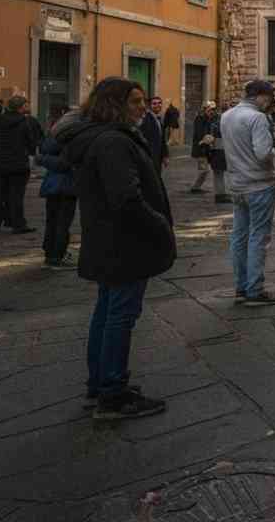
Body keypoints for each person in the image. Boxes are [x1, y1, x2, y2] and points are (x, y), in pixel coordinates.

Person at [59, 77, 175, 420]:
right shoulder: (113, 141)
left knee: (107, 312)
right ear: (114, 105)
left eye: (143, 101)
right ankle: (112, 393)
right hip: (126, 242)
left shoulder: (98, 137)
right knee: (120, 316)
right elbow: (126, 198)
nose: (143, 107)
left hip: (107, 240)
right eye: (135, 101)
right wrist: (159, 224)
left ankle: (100, 384)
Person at [221, 80, 275, 306]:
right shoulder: (257, 118)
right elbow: (263, 153)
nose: (269, 102)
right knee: (259, 237)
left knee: (239, 237)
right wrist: (273, 150)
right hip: (259, 184)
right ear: (260, 96)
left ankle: (241, 288)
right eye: (269, 97)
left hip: (236, 184)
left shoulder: (227, 115)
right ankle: (255, 290)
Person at [0, 95, 40, 235]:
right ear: (21, 107)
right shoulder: (25, 122)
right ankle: (18, 224)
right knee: (16, 196)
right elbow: (31, 143)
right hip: (18, 164)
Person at [38, 107, 79, 269]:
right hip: (67, 184)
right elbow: (64, 163)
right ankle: (57, 256)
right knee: (62, 223)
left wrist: (42, 159)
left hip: (51, 183)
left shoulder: (52, 135)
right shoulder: (70, 138)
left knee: (52, 220)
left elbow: (43, 154)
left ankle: (50, 253)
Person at [139, 97, 169, 175]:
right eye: (154, 103)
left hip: (157, 157)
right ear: (150, 106)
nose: (157, 105)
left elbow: (162, 140)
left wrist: (165, 156)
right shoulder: (146, 120)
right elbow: (144, 140)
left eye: (159, 103)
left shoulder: (159, 119)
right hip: (150, 158)